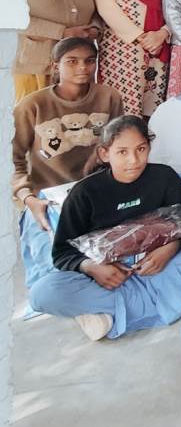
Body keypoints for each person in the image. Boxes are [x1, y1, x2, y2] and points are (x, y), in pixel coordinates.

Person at [30, 115, 181, 341]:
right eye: (122, 152)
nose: (133, 160)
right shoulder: (84, 193)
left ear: (149, 147)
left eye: (141, 149)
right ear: (105, 154)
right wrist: (92, 268)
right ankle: (177, 292)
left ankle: (109, 313)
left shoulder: (164, 177)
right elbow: (63, 253)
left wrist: (169, 249)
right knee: (42, 293)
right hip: (110, 274)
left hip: (158, 263)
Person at [13, 38, 123, 300]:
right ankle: (59, 295)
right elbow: (11, 161)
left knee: (123, 253)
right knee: (51, 260)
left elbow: (119, 147)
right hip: (48, 201)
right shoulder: (32, 106)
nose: (82, 68)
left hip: (96, 194)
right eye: (72, 61)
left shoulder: (109, 96)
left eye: (89, 61)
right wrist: (28, 199)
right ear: (55, 65)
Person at [93, 0, 172, 117]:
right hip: (121, 50)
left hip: (157, 48)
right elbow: (106, 6)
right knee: (120, 110)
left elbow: (176, 8)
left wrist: (163, 33)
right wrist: (141, 37)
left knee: (152, 110)